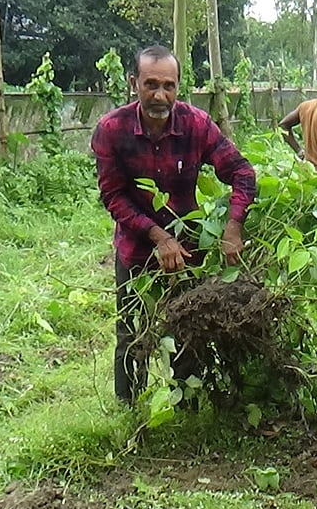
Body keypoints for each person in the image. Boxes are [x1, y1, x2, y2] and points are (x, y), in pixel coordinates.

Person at [91, 45, 258, 406]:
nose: (160, 95)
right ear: (133, 82)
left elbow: (242, 172)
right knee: (131, 333)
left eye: (168, 85)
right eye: (150, 84)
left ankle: (190, 410)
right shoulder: (111, 130)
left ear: (179, 86)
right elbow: (114, 196)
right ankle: (129, 412)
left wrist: (233, 225)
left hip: (188, 251)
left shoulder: (195, 124)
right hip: (136, 251)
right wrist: (158, 236)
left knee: (187, 327)